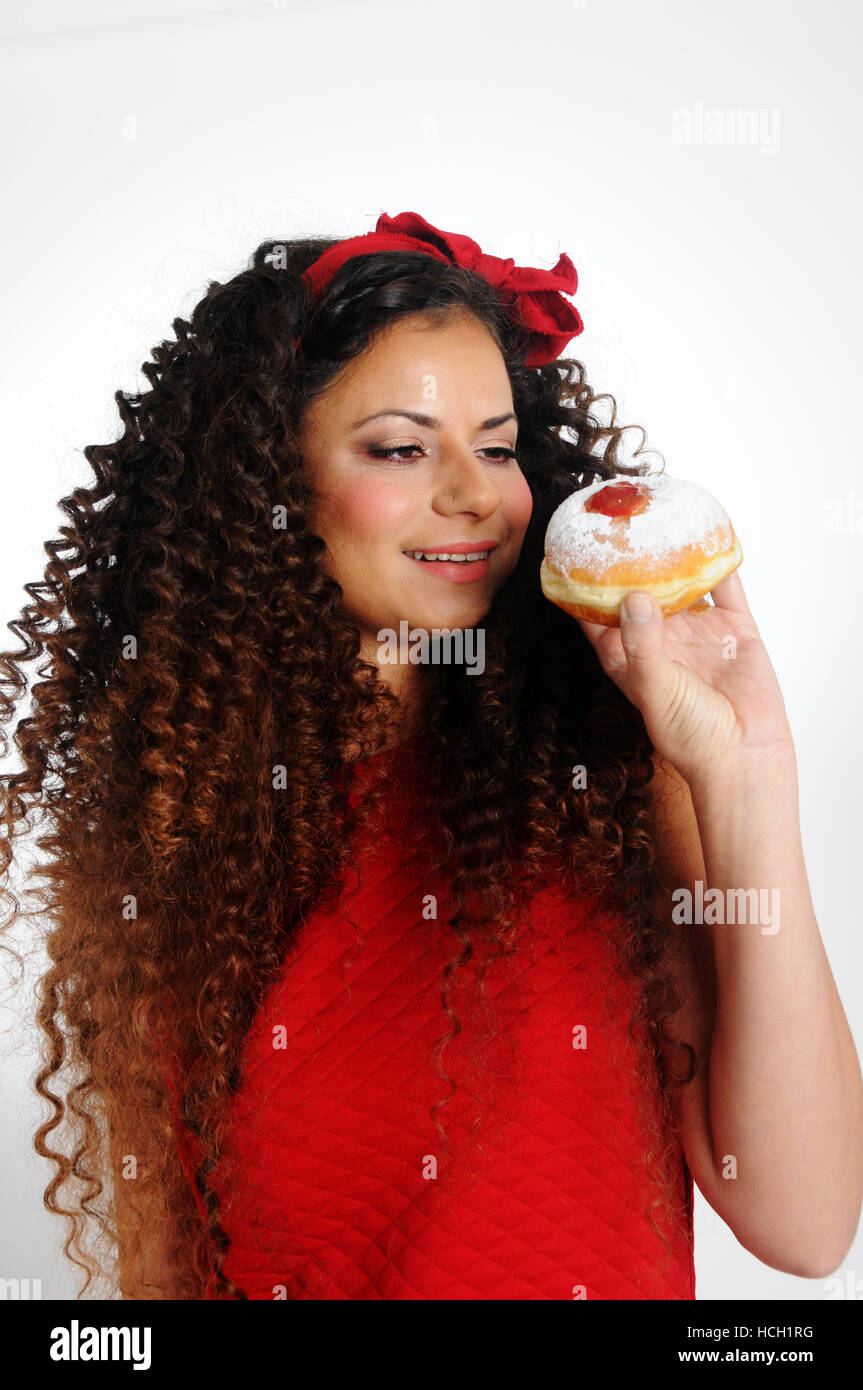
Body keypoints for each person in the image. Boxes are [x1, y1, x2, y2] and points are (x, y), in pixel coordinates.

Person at [3, 212, 861, 1300]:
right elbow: (172, 1275)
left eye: (496, 447)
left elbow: (807, 1222)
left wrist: (748, 777)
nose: (475, 494)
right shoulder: (180, 831)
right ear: (270, 480)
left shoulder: (603, 776)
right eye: (402, 447)